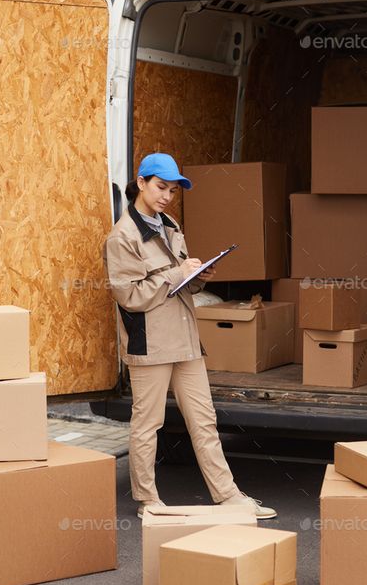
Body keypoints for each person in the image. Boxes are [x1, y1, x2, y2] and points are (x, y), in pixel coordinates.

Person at [103, 152, 277, 520]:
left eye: (173, 189)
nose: (167, 195)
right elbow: (130, 296)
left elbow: (178, 286)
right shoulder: (122, 237)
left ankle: (228, 495)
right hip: (150, 343)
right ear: (142, 182)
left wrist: (197, 277)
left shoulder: (169, 225)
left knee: (204, 419)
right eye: (161, 187)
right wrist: (175, 272)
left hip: (185, 339)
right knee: (148, 423)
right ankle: (148, 501)